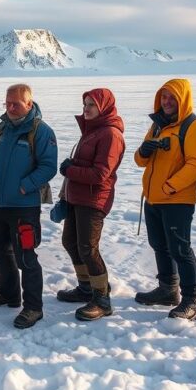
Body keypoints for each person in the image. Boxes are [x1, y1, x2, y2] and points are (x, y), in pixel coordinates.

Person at [0, 84, 57, 329]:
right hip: (0, 204)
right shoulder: (2, 128)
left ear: (29, 104)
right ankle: (9, 292)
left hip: (25, 206)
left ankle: (33, 307)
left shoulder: (41, 132)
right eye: (7, 103)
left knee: (26, 257)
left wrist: (25, 186)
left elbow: (48, 166)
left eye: (16, 104)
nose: (10, 108)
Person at [133, 78, 196, 320]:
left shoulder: (194, 127)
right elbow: (140, 160)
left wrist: (170, 187)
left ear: (182, 99)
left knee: (180, 248)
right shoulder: (158, 125)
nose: (166, 102)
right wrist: (144, 151)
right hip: (154, 198)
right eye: (163, 97)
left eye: (172, 97)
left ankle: (192, 299)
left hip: (176, 199)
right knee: (160, 245)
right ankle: (168, 289)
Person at [56, 88, 125, 322]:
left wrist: (70, 169)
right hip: (77, 196)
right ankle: (86, 286)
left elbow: (101, 173)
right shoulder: (93, 130)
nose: (86, 109)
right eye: (85, 104)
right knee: (70, 242)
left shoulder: (110, 134)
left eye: (91, 105)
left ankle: (102, 299)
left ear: (104, 107)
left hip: (94, 198)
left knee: (87, 247)